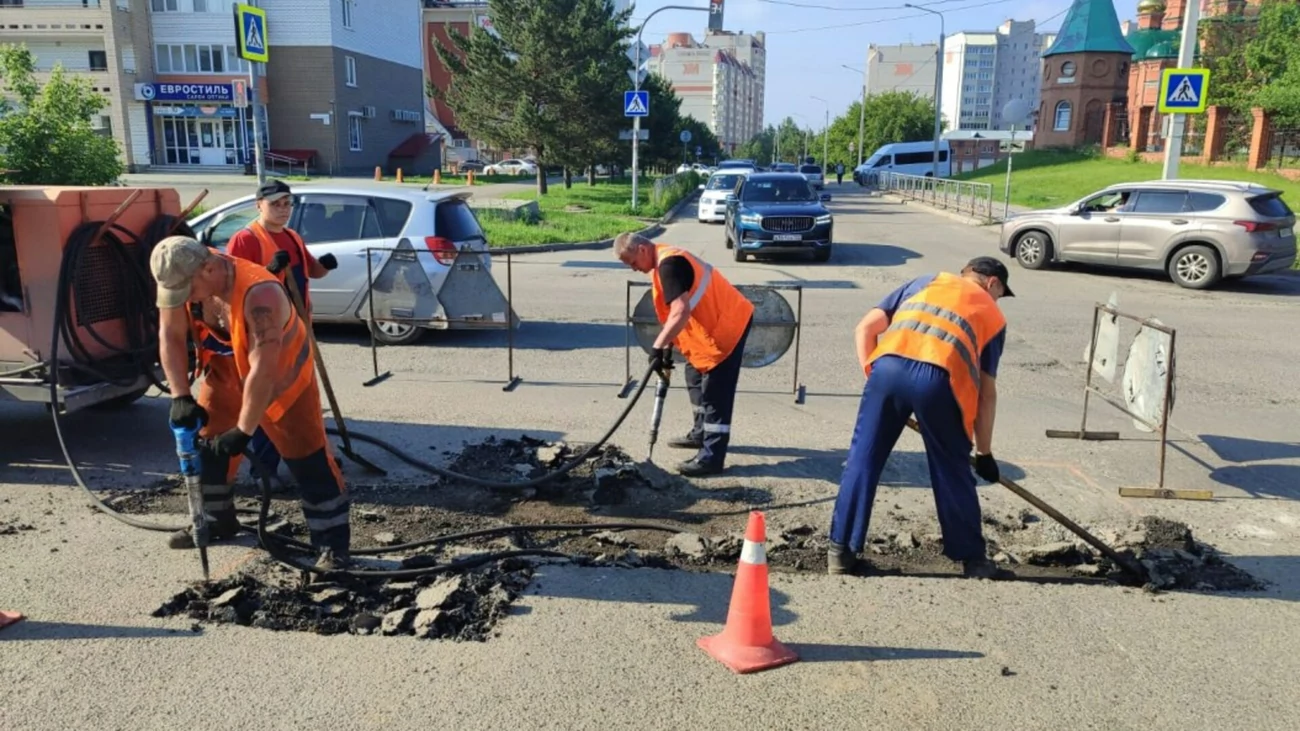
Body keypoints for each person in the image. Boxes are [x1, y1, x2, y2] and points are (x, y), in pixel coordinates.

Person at [152, 236, 351, 570]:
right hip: (225, 370)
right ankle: (217, 520)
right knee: (209, 445)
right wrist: (180, 395)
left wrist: (244, 431)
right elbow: (170, 334)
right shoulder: (178, 272)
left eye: (187, 291)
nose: (182, 299)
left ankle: (332, 546)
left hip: (282, 378)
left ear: (210, 268)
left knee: (308, 459)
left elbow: (263, 371)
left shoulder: (262, 295)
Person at [827, 256, 1014, 579]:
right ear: (992, 283)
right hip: (940, 382)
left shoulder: (924, 281)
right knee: (952, 469)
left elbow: (865, 328)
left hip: (886, 370)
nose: (997, 299)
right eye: (1000, 292)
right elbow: (986, 393)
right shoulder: (992, 315)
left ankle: (840, 553)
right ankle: (973, 560)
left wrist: (873, 376)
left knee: (862, 460)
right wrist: (984, 452)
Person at [615, 232, 754, 477]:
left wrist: (658, 346)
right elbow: (675, 313)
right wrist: (669, 345)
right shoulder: (662, 261)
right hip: (711, 329)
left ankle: (711, 457)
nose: (634, 269)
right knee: (694, 375)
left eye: (633, 263)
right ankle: (700, 432)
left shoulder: (669, 265)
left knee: (715, 392)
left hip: (727, 327)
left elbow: (680, 311)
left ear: (642, 250)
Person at [226, 180, 338, 479]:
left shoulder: (292, 236)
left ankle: (310, 459)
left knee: (302, 400)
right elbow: (233, 287)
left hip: (297, 333)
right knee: (270, 402)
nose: (283, 209)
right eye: (276, 203)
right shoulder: (244, 239)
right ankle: (263, 470)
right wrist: (270, 270)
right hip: (265, 337)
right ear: (259, 204)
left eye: (287, 203)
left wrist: (326, 266)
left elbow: (311, 271)